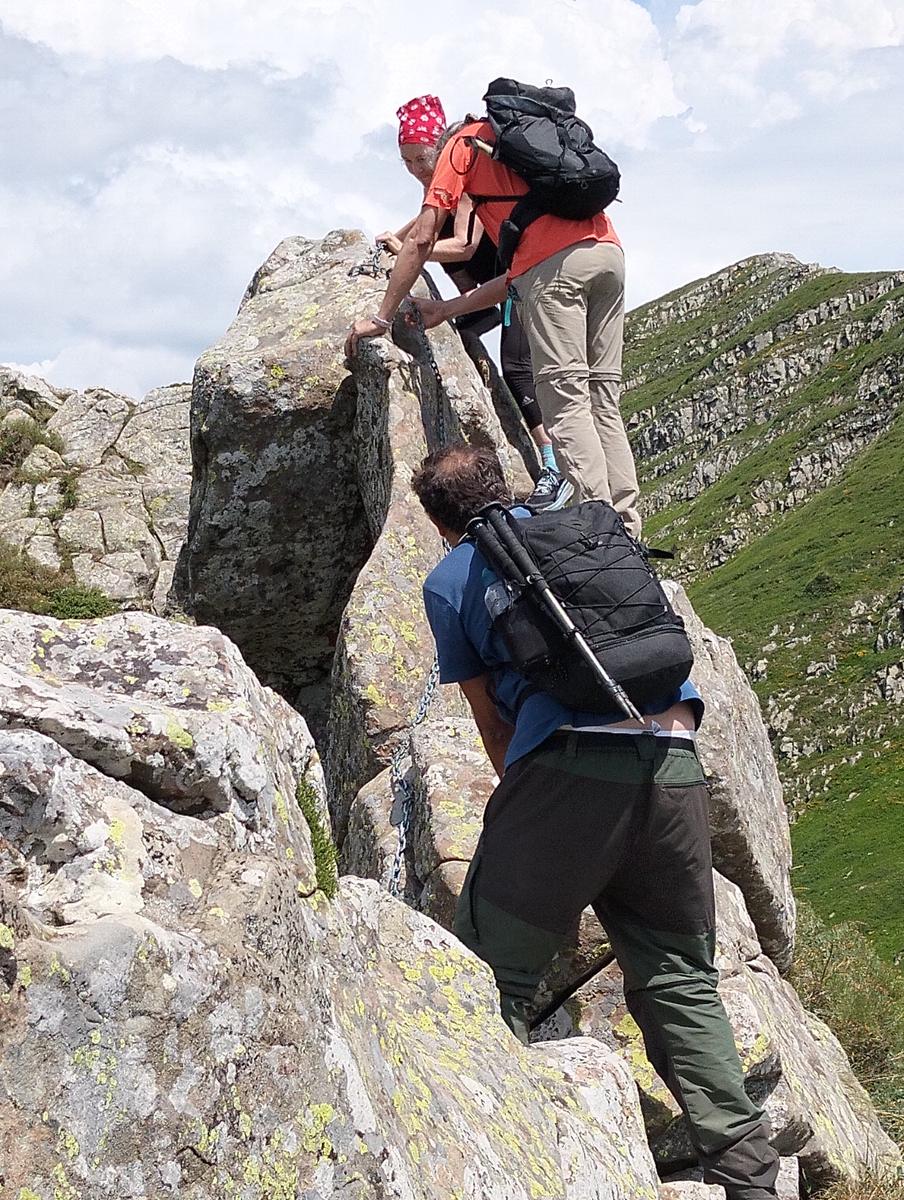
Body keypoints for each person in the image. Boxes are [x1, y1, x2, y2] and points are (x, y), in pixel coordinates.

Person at [409, 440, 780, 1200]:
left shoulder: (452, 577)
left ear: (439, 523)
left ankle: (494, 1169)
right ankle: (750, 1183)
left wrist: (534, 823)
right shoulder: (587, 532)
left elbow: (494, 725)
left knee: (486, 979)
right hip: (676, 765)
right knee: (681, 979)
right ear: (504, 486)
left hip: (570, 771)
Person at [346, 107, 641, 537]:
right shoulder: (512, 148)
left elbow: (425, 236)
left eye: (418, 158)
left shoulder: (461, 148)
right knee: (601, 399)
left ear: (438, 142)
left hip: (557, 271)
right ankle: (629, 529)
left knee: (566, 400)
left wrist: (381, 315)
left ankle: (599, 533)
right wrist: (445, 310)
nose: (417, 169)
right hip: (607, 255)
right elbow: (520, 275)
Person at [377, 96, 571, 513]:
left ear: (438, 152)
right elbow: (416, 227)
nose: (415, 170)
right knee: (462, 339)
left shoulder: (463, 175)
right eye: (406, 162)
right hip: (487, 293)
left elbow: (464, 242)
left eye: (419, 159)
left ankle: (554, 467)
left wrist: (410, 251)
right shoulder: (436, 191)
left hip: (513, 282)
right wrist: (394, 240)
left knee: (518, 366)